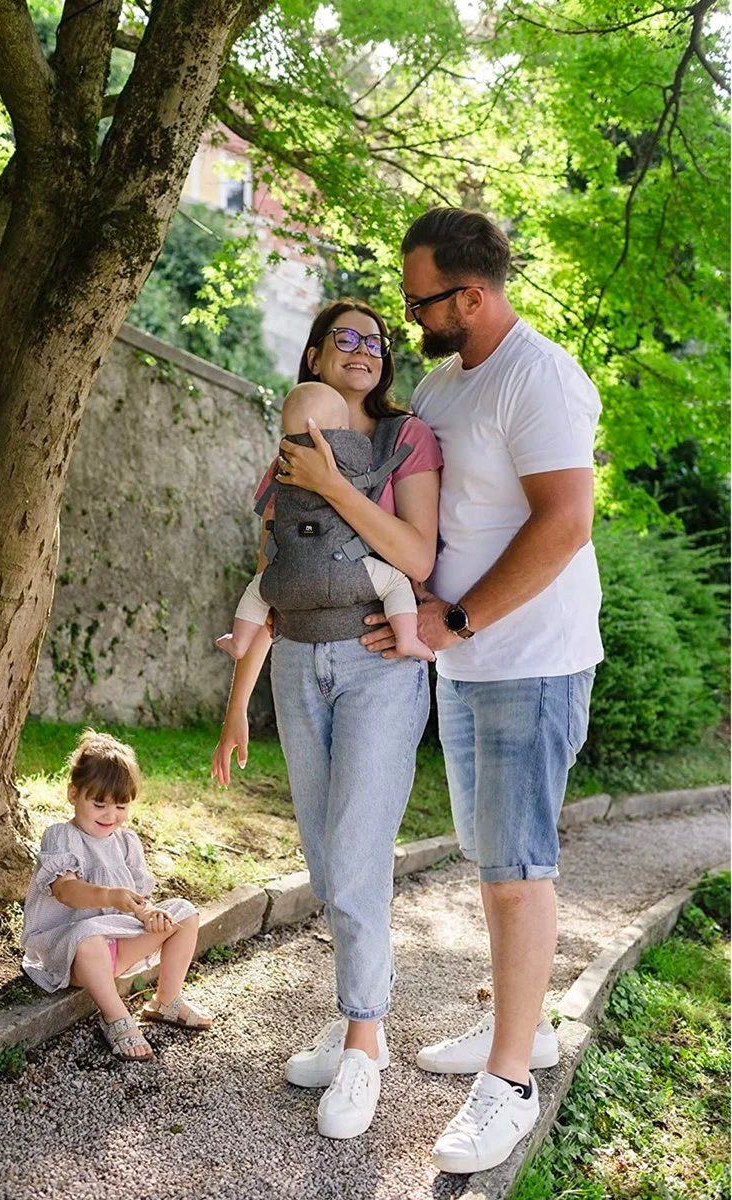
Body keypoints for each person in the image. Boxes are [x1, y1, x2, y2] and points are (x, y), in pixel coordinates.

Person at [361, 208, 603, 1174]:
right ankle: (521, 1026)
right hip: (465, 662)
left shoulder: (540, 377)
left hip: (529, 661)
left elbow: (566, 523)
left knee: (516, 868)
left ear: (470, 295)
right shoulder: (443, 382)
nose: (410, 315)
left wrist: (455, 621)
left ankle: (509, 1083)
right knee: (491, 855)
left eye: (421, 300)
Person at [212, 300, 442, 1139]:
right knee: (324, 855)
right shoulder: (284, 457)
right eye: (344, 337)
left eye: (375, 340)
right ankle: (354, 1020)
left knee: (354, 855)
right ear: (313, 356)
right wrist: (237, 708)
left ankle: (365, 1045)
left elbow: (417, 557)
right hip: (299, 666)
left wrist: (335, 483)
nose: (363, 349)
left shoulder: (406, 441)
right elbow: (275, 585)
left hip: (379, 663)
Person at [22, 729, 212, 1062]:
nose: (110, 816)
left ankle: (166, 1000)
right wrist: (110, 896)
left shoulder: (126, 843)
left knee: (184, 912)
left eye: (121, 806)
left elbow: (137, 898)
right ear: (73, 794)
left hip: (118, 947)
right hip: (73, 952)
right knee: (88, 936)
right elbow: (66, 891)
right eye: (99, 804)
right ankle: (116, 1017)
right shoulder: (62, 837)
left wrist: (148, 913)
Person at [216, 379, 433, 663]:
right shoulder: (354, 451)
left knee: (256, 591)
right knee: (395, 583)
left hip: (287, 575)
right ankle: (407, 638)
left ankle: (238, 641)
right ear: (342, 428)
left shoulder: (283, 465)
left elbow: (265, 559)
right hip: (345, 569)